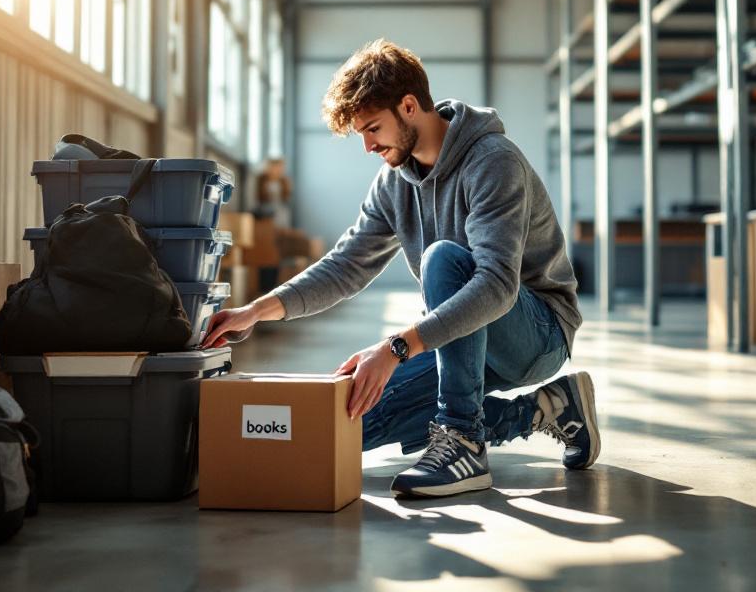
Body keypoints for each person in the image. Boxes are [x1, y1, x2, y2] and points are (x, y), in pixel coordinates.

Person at [205, 39, 594, 499]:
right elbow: (346, 264)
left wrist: (394, 349)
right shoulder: (394, 181)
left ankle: (464, 441)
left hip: (535, 334)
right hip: (464, 342)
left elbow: (495, 288)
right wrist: (257, 310)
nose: (368, 146)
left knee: (444, 259)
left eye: (373, 128)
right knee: (351, 418)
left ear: (409, 106)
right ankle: (549, 408)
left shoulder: (493, 162)